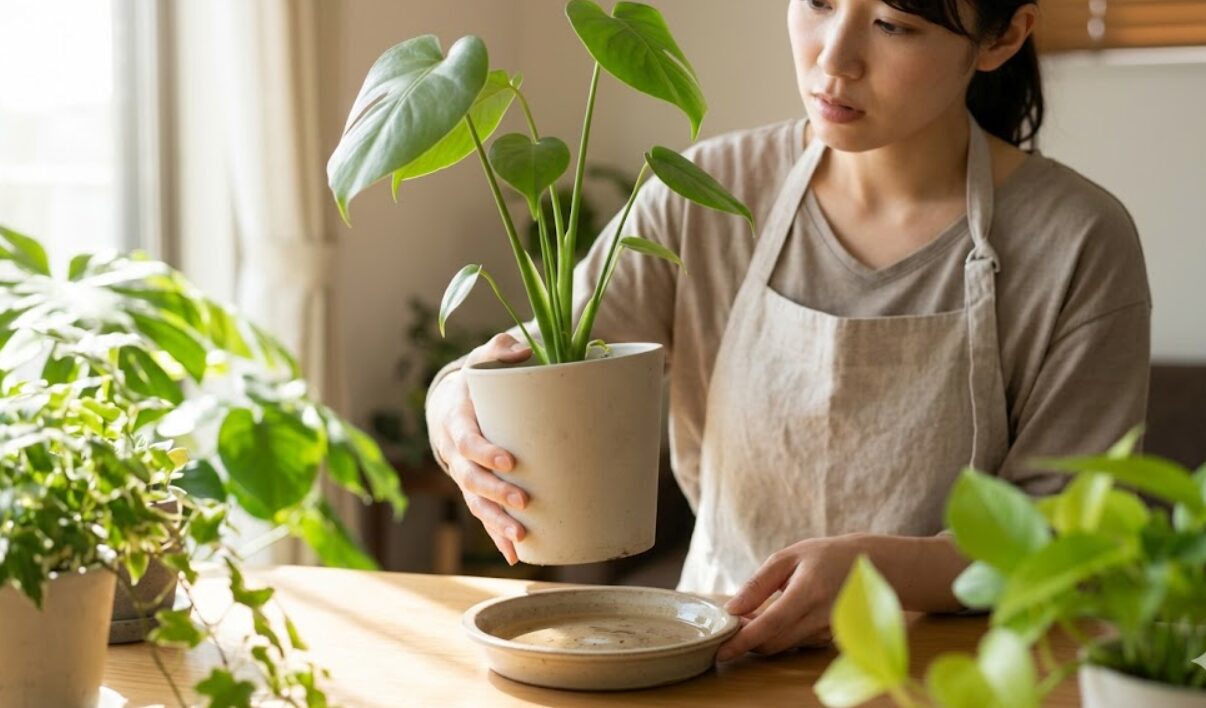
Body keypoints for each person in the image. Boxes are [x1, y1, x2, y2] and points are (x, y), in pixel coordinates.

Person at [425, 0, 1151, 663]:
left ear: (1003, 37)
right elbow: (546, 362)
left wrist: (888, 572)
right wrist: (453, 402)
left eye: (894, 25)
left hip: (955, 676)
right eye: (819, 2)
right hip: (710, 659)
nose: (834, 59)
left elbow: (1065, 538)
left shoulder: (1078, 240)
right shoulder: (699, 193)